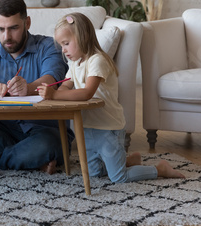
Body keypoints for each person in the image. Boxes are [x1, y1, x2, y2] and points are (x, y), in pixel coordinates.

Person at [37, 13, 185, 183]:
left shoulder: (97, 61)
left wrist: (55, 95)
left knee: (118, 177)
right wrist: (56, 92)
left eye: (66, 44)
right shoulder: (74, 63)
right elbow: (66, 85)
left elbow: (87, 93)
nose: (63, 50)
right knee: (94, 173)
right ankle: (127, 161)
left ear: (82, 37)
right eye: (61, 45)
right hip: (87, 127)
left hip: (107, 128)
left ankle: (159, 169)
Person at [0, 0, 71, 174]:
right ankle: (31, 158)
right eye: (0, 29)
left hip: (44, 130)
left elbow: (52, 80)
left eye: (13, 28)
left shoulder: (50, 46)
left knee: (50, 143)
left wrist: (29, 88)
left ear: (27, 23)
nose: (6, 36)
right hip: (5, 128)